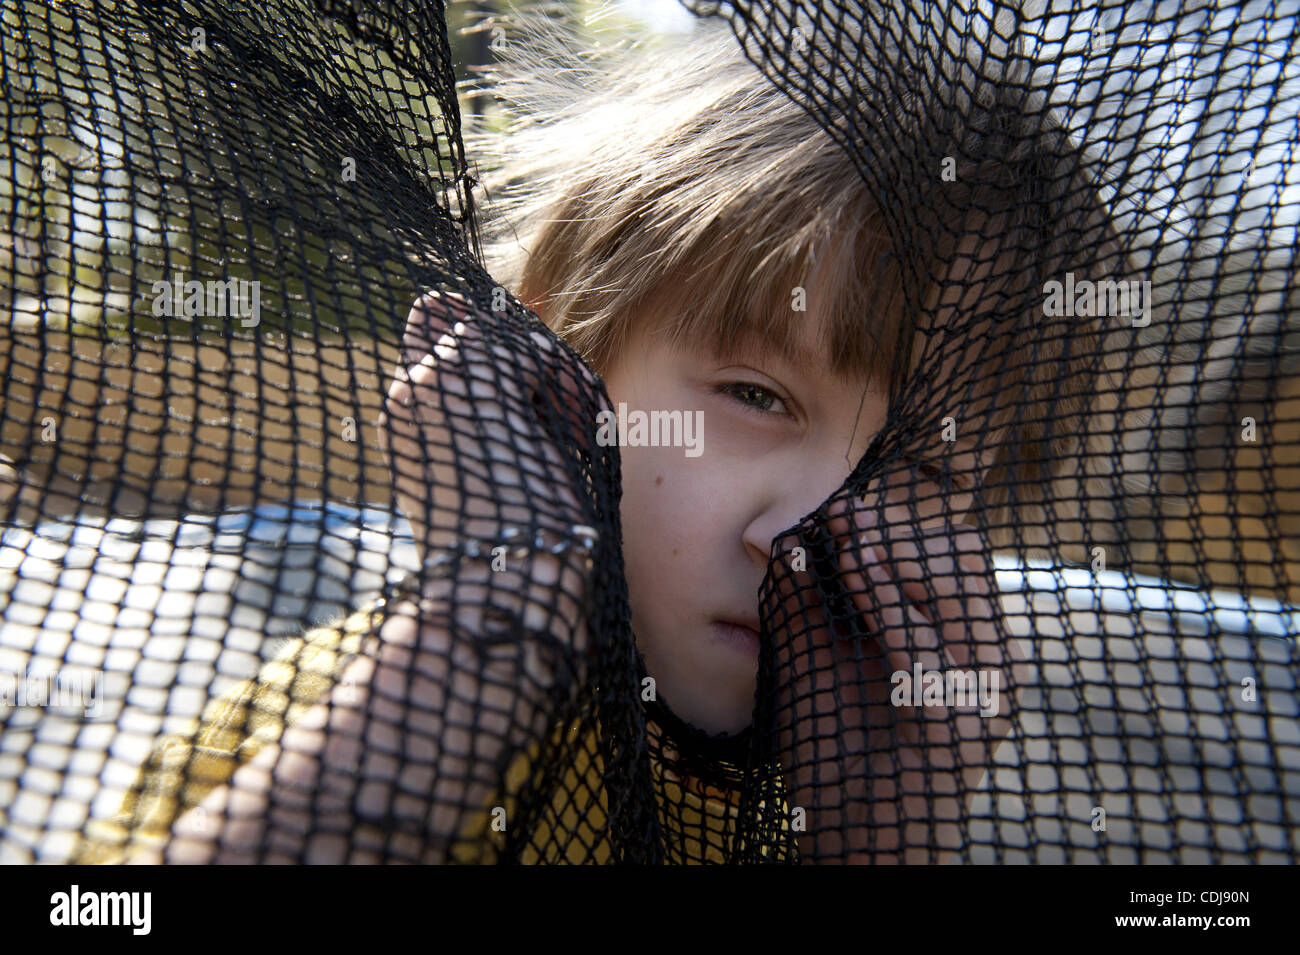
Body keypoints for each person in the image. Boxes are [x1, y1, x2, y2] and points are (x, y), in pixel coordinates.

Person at [73, 11, 1120, 865]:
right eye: (755, 396)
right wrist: (481, 634)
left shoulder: (842, 796)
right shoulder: (348, 718)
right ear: (556, 381)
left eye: (923, 467)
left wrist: (886, 842)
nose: (808, 535)